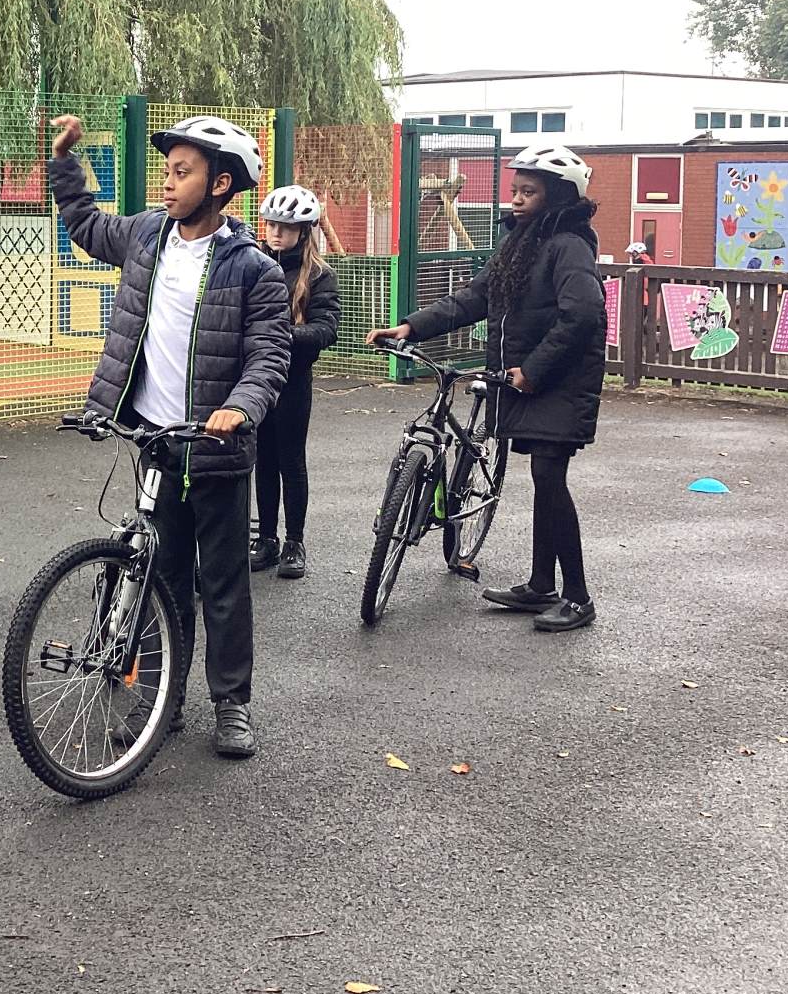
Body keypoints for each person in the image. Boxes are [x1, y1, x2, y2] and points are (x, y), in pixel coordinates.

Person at [48, 112, 290, 758]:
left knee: (224, 585)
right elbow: (86, 226)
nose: (168, 182)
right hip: (156, 442)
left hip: (216, 451)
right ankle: (163, 699)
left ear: (220, 184)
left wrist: (239, 407)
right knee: (162, 576)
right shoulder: (146, 235)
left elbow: (270, 356)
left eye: (183, 172)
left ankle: (232, 704)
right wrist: (64, 164)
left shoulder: (254, 269)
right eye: (167, 170)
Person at [369, 143, 605, 631]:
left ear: (559, 196)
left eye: (529, 192)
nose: (516, 199)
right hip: (530, 381)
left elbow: (583, 314)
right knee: (544, 481)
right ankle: (541, 585)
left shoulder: (568, 245)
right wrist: (411, 326)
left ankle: (578, 598)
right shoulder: (520, 242)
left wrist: (532, 370)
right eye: (515, 189)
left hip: (560, 383)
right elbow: (474, 298)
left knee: (550, 479)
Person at [248, 185, 340, 581]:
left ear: (303, 231)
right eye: (272, 225)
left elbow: (326, 328)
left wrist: (284, 336)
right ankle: (266, 538)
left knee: (290, 461)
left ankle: (294, 541)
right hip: (257, 380)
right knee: (263, 461)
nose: (276, 233)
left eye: (285, 227)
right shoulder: (254, 263)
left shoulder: (319, 275)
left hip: (292, 381)